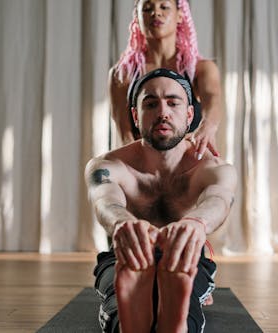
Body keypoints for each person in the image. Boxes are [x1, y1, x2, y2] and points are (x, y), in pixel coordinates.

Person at [86, 68, 236, 333]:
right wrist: (124, 226)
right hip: (124, 255)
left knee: (184, 295)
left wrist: (196, 224)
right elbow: (105, 202)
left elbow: (219, 200)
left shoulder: (213, 168)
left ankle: (174, 318)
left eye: (173, 102)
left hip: (185, 254)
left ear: (190, 115)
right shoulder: (108, 165)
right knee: (117, 303)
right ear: (135, 115)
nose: (162, 112)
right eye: (151, 103)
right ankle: (132, 316)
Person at [109, 0, 222, 160]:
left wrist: (208, 126)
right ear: (137, 19)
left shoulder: (201, 69)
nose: (156, 13)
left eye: (164, 7)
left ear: (180, 15)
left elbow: (213, 102)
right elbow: (124, 134)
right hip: (143, 165)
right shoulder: (122, 74)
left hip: (188, 162)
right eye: (147, 9)